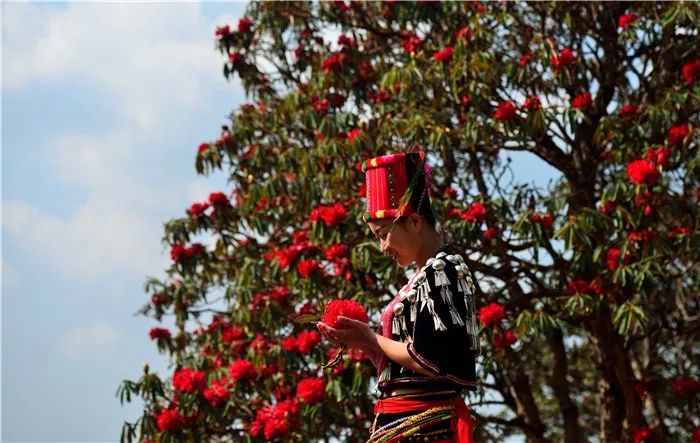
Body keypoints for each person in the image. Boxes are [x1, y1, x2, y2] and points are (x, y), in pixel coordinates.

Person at [317, 151, 480, 443]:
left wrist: (371, 338)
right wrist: (365, 343)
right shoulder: (425, 275)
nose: (382, 247)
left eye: (384, 234)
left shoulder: (442, 271)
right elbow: (407, 367)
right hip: (404, 423)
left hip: (423, 426)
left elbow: (429, 359)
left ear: (415, 221)